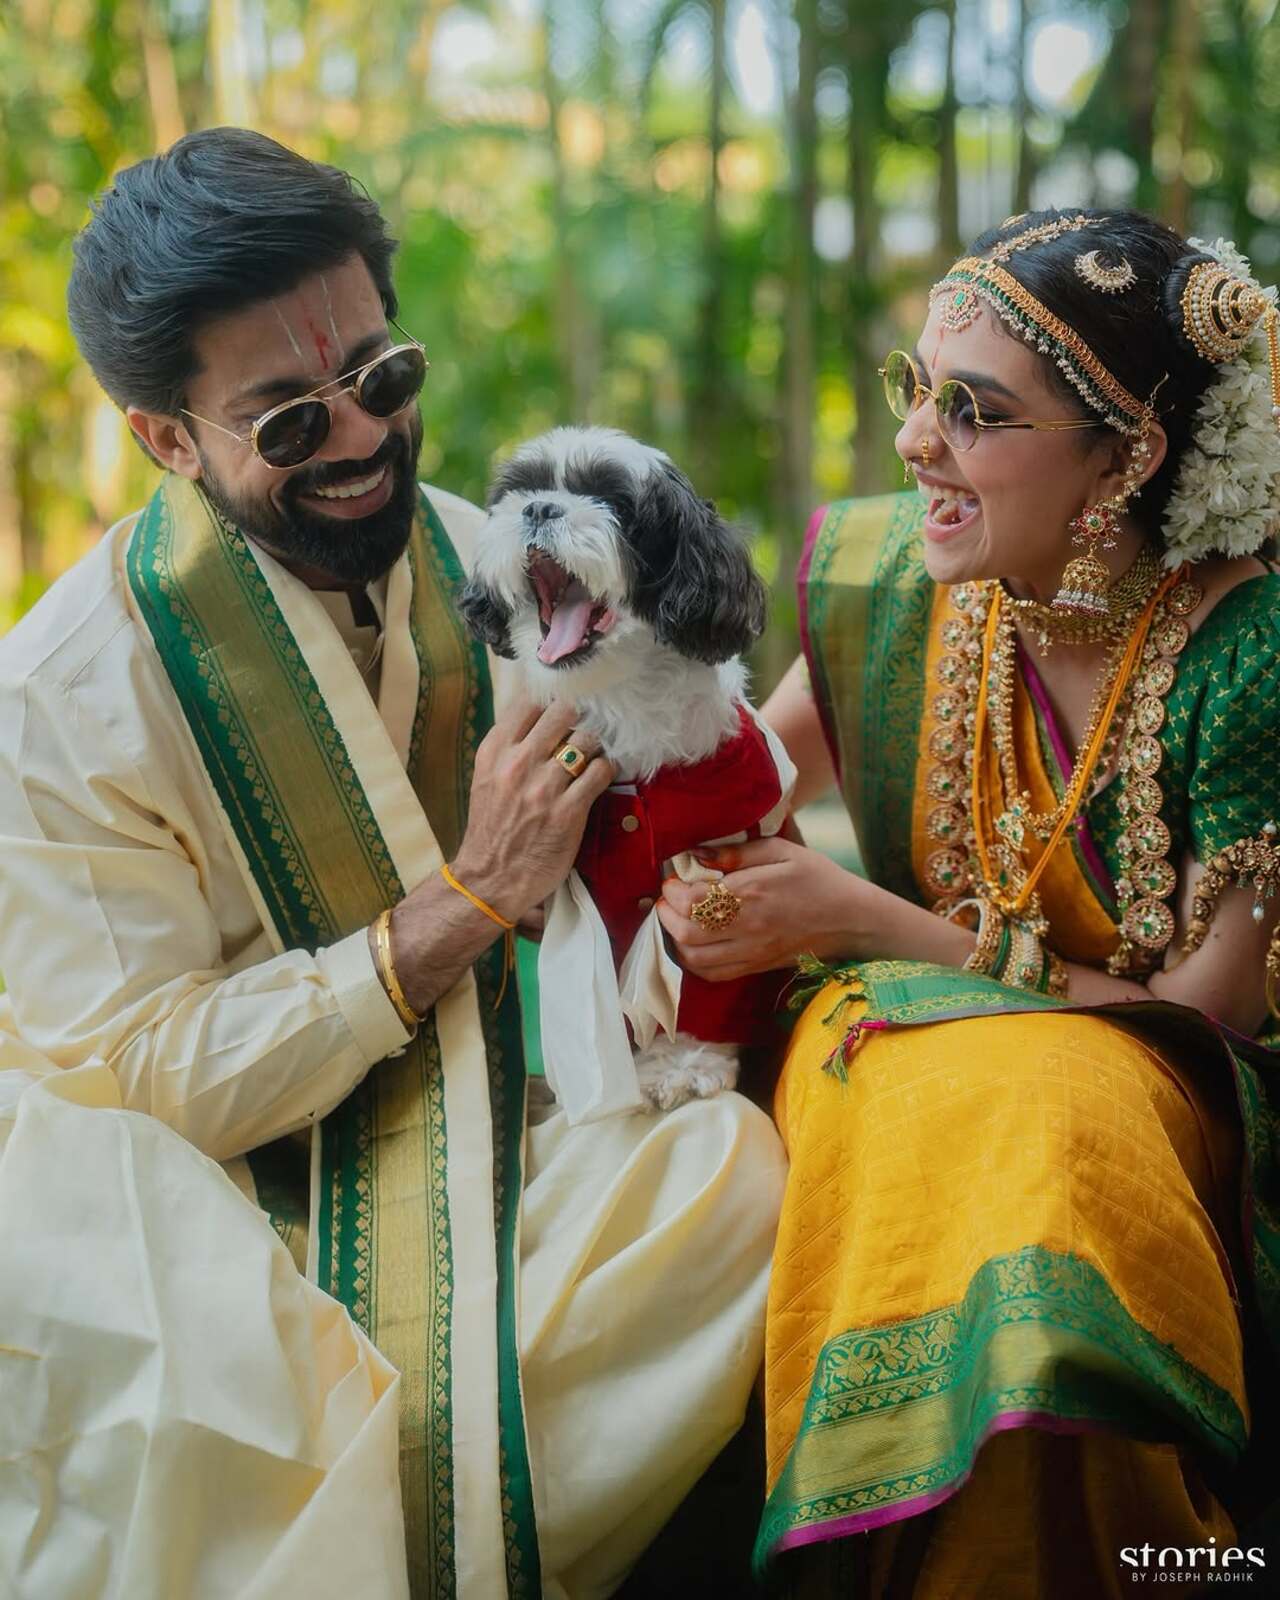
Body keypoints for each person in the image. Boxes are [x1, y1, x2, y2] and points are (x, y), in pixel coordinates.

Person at [0, 127, 786, 1600]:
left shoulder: (494, 560)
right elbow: (143, 1079)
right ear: (166, 437)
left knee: (721, 1183)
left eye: (382, 376)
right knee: (213, 1390)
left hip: (504, 1100)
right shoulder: (58, 700)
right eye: (290, 422)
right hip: (207, 1188)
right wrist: (457, 910)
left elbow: (691, 753)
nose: (362, 438)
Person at [657, 209, 1280, 1596]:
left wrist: (869, 921)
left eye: (976, 411)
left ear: (1128, 459)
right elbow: (726, 807)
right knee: (918, 1093)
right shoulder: (894, 588)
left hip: (1150, 1102)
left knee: (1044, 1122)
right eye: (916, 389)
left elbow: (1205, 1033)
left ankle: (1124, 1557)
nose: (914, 443)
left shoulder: (1249, 655)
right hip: (901, 1053)